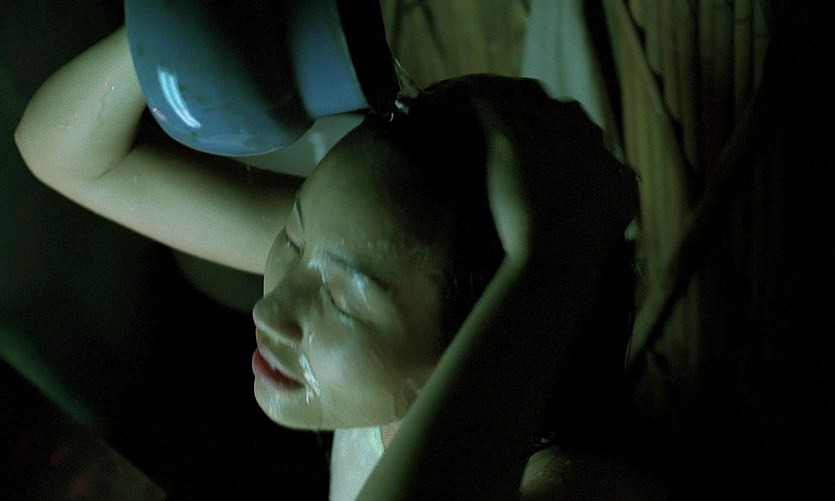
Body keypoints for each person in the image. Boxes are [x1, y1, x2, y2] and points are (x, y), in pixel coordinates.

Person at [16, 26, 660, 500]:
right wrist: (170, 31)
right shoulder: (376, 265)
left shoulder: (569, 486)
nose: (271, 308)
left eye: (345, 301)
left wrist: (549, 264)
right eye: (293, 239)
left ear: (502, 321)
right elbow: (63, 155)